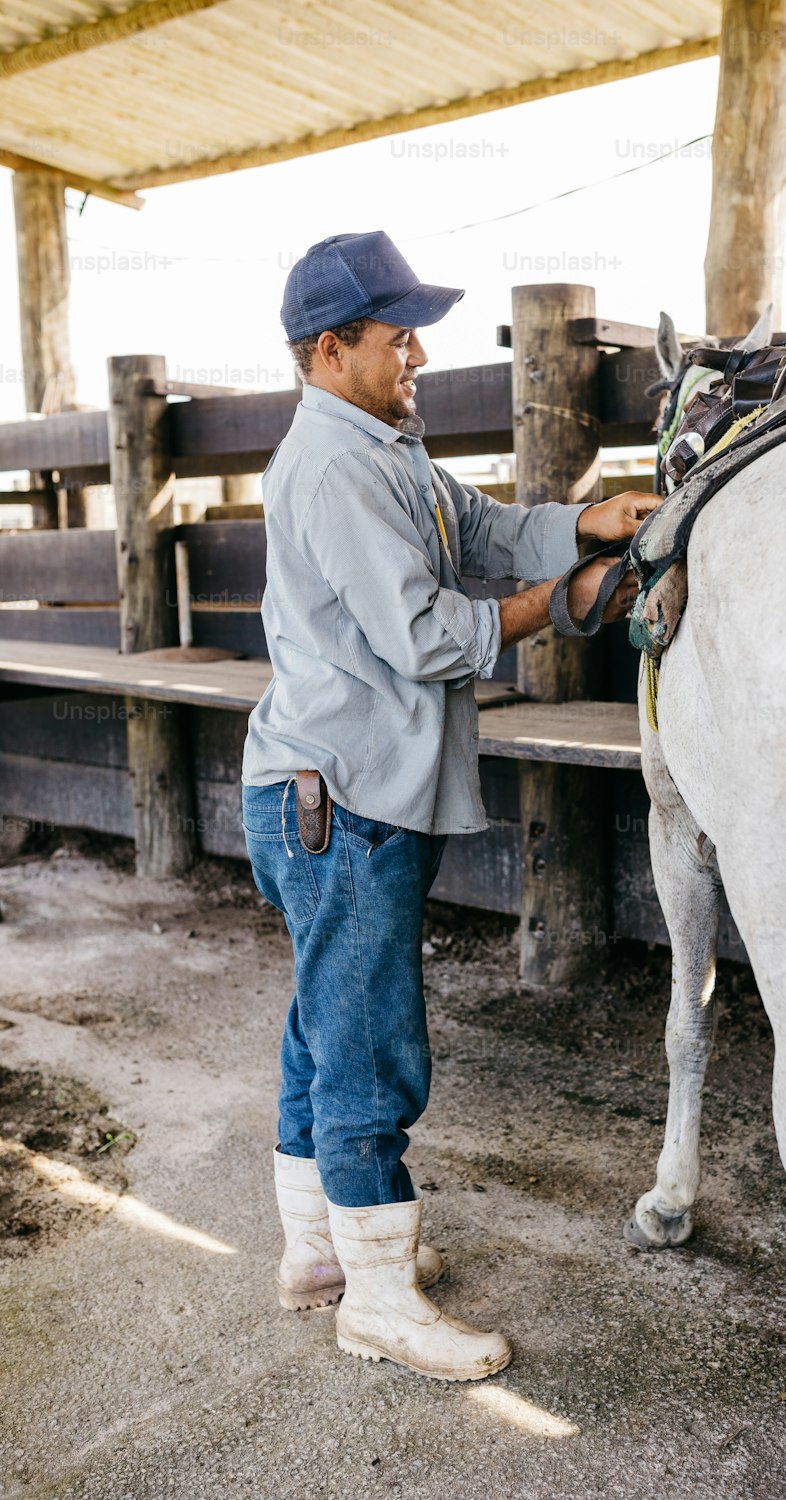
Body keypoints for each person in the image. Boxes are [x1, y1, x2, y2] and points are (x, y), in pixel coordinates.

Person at [241, 230, 655, 1383]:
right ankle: (377, 1299)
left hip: (336, 788)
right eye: (394, 333)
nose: (415, 349)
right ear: (330, 350)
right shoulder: (331, 466)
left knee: (324, 1027)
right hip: (341, 796)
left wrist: (587, 523)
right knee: (370, 1045)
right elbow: (428, 636)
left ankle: (322, 1256)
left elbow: (477, 534)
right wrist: (557, 604)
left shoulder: (386, 447)